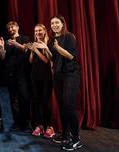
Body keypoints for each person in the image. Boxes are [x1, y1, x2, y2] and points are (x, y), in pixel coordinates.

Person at [48, 15, 82, 151]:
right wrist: (46, 48)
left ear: (62, 24)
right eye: (52, 23)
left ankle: (76, 139)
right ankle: (66, 134)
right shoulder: (52, 40)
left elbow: (71, 56)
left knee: (69, 104)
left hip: (71, 75)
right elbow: (52, 58)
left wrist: (57, 48)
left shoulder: (69, 37)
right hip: (58, 76)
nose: (54, 25)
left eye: (57, 23)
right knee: (62, 105)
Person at [0, 21, 32, 131]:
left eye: (12, 27)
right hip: (10, 74)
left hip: (22, 73)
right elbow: (2, 57)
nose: (10, 29)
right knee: (13, 99)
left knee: (24, 97)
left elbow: (26, 50)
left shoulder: (25, 38)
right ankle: (16, 122)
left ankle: (27, 122)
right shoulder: (6, 42)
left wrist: (16, 44)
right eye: (8, 28)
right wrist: (2, 47)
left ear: (17, 27)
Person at [27, 24, 54, 138]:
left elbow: (47, 61)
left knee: (45, 102)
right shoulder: (34, 43)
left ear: (44, 31)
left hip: (46, 77)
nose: (37, 33)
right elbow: (31, 61)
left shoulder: (49, 43)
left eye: (40, 30)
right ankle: (39, 126)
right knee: (36, 102)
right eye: (36, 31)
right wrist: (32, 50)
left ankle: (49, 127)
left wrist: (37, 50)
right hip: (35, 76)